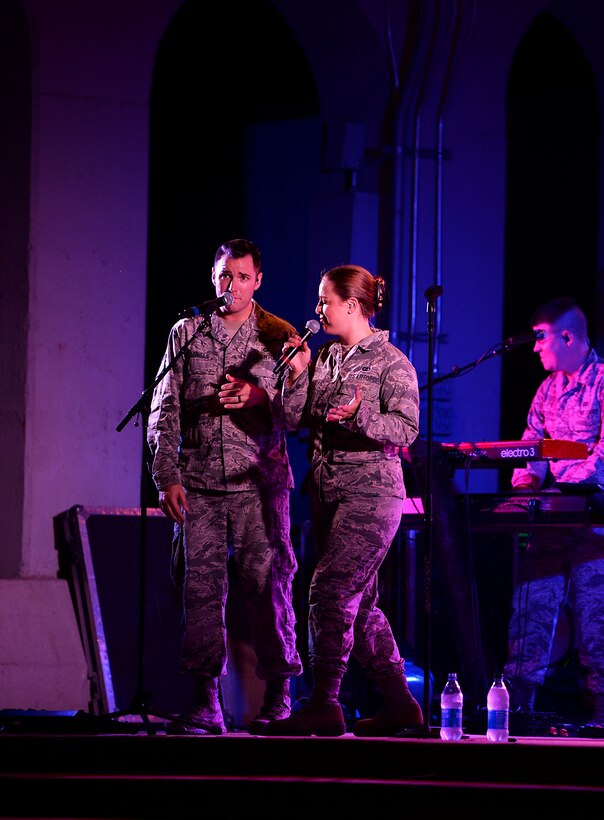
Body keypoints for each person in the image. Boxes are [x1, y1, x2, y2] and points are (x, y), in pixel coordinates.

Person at [147, 237, 302, 734]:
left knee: (268, 587)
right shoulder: (187, 333)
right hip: (200, 485)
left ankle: (279, 695)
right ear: (213, 277)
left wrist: (260, 396)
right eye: (223, 275)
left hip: (259, 486)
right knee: (199, 590)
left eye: (240, 276)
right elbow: (163, 406)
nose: (230, 285)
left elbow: (304, 410)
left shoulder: (279, 335)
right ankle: (204, 702)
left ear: (258, 280)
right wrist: (165, 474)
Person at [262, 263, 423, 737]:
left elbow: (406, 429)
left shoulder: (393, 362)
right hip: (330, 492)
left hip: (372, 495)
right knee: (360, 603)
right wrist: (295, 374)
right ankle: (399, 704)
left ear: (352, 306)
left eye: (324, 301)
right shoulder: (329, 358)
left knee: (329, 590)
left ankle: (324, 704)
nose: (317, 310)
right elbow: (295, 419)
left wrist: (360, 419)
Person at [504, 296, 604, 726]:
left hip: (594, 524)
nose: (535, 347)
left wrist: (567, 483)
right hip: (552, 520)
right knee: (531, 611)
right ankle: (517, 712)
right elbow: (532, 446)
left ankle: (601, 715)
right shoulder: (548, 389)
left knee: (596, 620)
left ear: (566, 336)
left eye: (541, 338)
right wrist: (526, 481)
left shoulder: (602, 381)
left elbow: (601, 458)